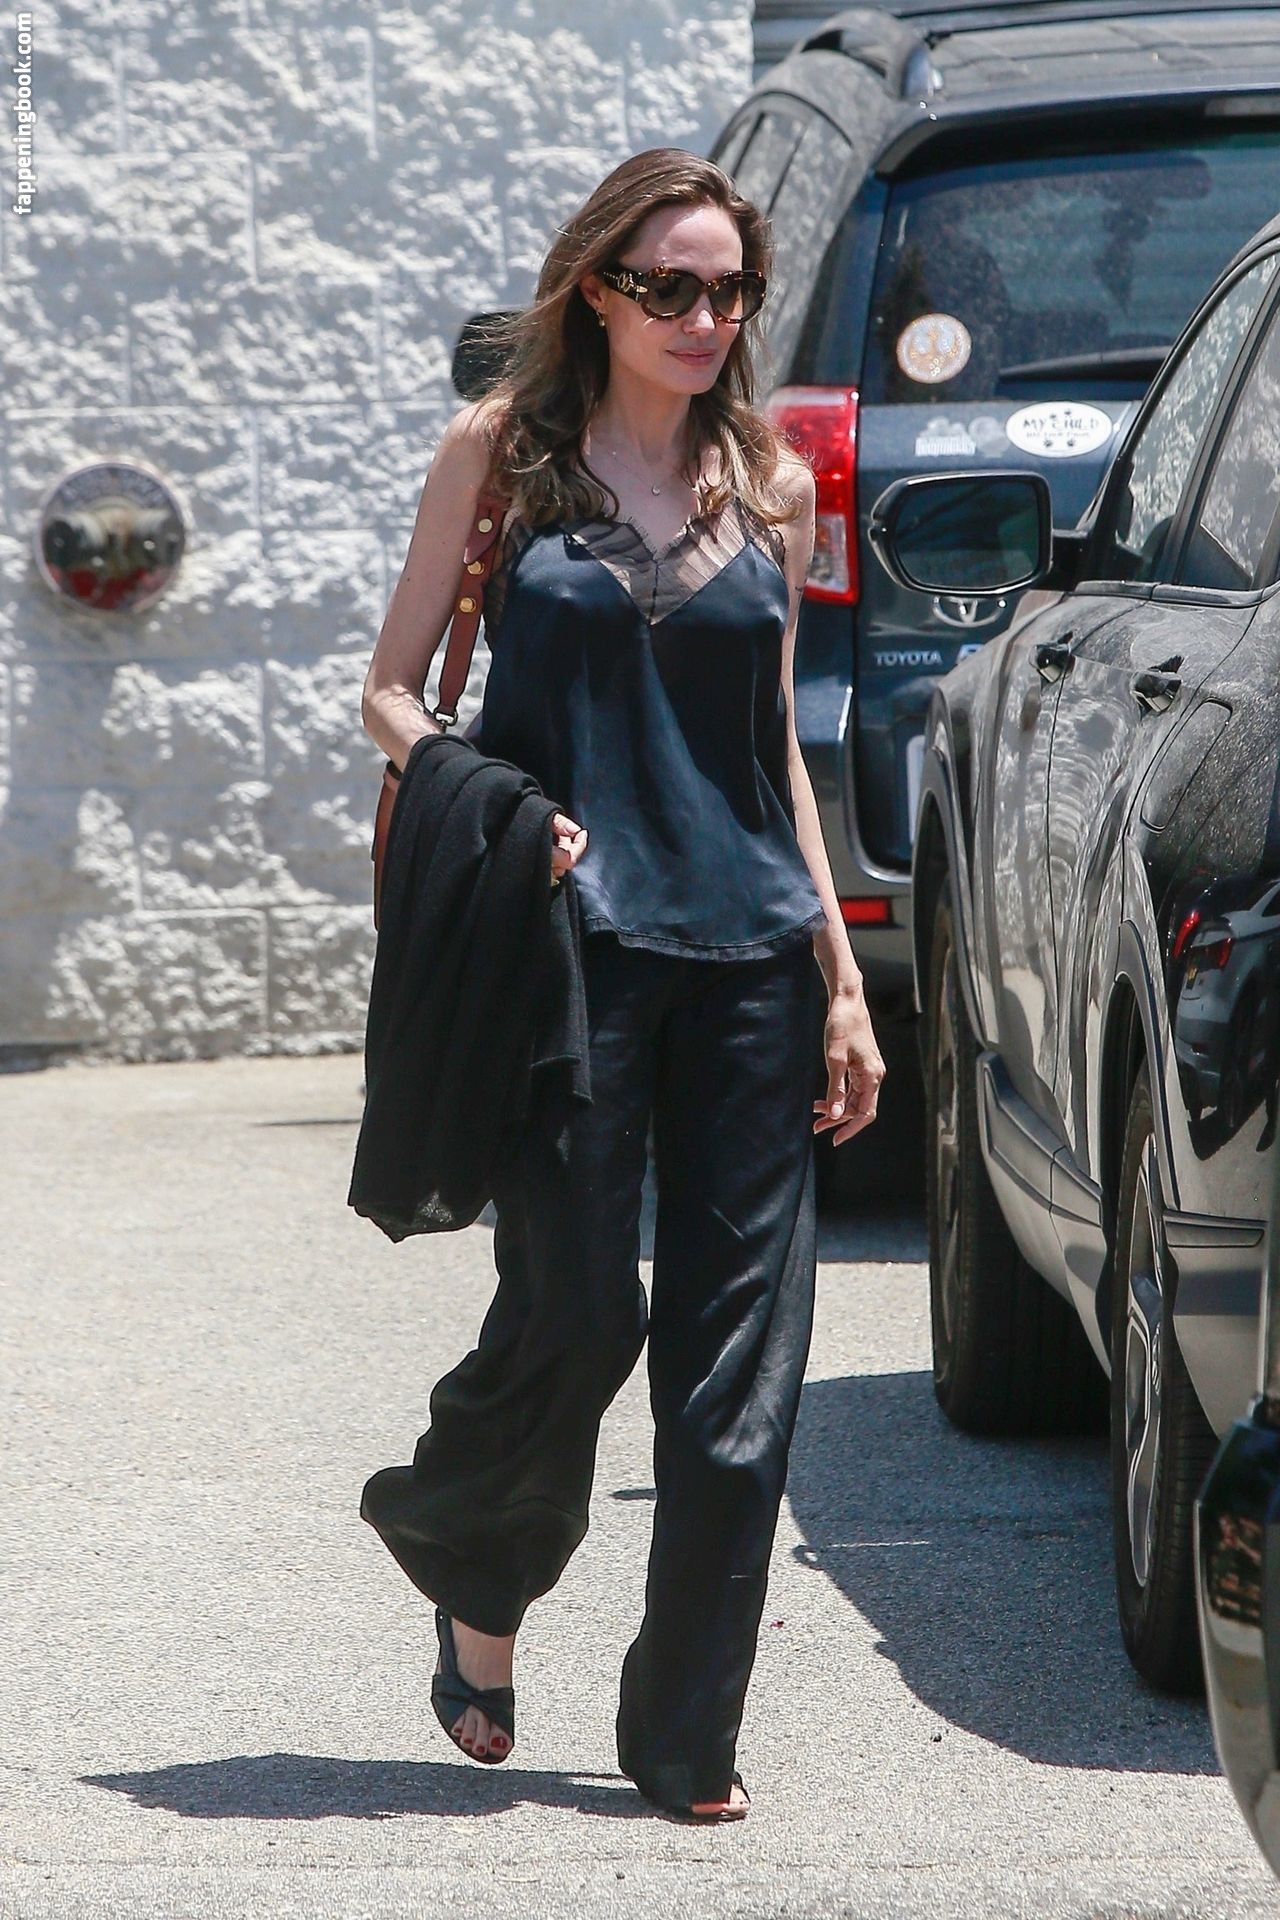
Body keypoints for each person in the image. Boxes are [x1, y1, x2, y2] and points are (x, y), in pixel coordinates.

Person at [358, 145, 886, 1823]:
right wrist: (501, 810)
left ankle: (686, 1739)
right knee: (577, 1310)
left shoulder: (771, 482)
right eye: (669, 285)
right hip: (569, 953)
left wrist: (843, 976)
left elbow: (772, 748)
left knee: (741, 1378)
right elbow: (390, 694)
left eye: (729, 289)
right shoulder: (500, 458)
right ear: (597, 290)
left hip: (750, 958)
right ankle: (473, 1566)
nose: (703, 316)